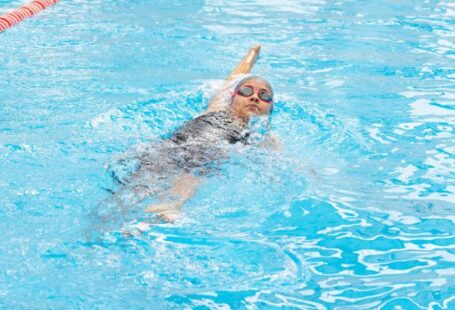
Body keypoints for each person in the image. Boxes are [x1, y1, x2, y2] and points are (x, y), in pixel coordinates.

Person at [106, 45, 278, 227]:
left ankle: (166, 209)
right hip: (169, 147)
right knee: (134, 189)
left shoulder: (266, 137)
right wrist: (252, 53)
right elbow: (236, 76)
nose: (254, 97)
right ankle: (109, 221)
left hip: (207, 153)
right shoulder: (217, 108)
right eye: (246, 91)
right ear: (232, 97)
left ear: (270, 107)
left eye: (264, 95)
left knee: (200, 161)